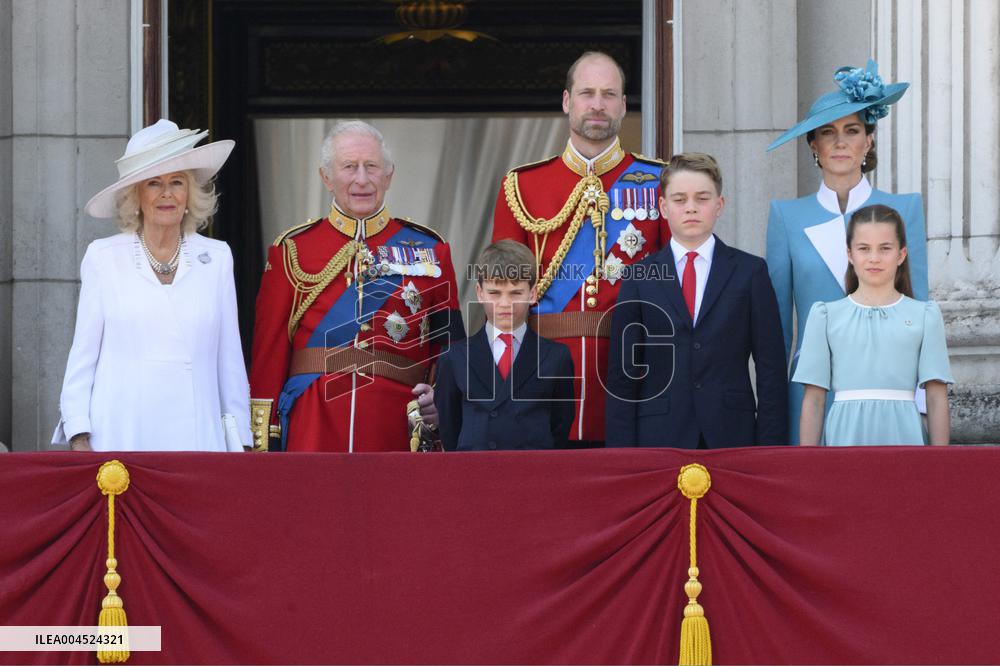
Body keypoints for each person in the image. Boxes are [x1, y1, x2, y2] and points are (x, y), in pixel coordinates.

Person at [250, 120, 464, 452]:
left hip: (395, 426)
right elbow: (270, 353)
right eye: (349, 167)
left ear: (389, 176)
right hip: (313, 424)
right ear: (326, 177)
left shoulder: (430, 251)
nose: (361, 179)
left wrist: (441, 404)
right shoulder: (291, 250)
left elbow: (448, 348)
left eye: (372, 167)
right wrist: (265, 438)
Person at [490, 51, 670, 448]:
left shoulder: (660, 183)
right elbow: (502, 298)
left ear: (624, 105)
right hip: (543, 375)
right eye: (587, 92)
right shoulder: (522, 186)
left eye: (609, 94)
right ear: (567, 101)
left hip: (633, 371)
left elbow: (675, 289)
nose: (597, 104)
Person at [53, 119, 249, 452]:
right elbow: (83, 357)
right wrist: (78, 433)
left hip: (198, 440)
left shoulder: (216, 258)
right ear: (136, 196)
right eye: (154, 183)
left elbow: (229, 360)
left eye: (177, 182)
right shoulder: (104, 257)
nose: (167, 194)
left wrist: (241, 441)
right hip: (121, 434)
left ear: (190, 193)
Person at [766, 59, 929, 445]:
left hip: (890, 394)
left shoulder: (904, 209)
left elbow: (920, 311)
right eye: (828, 132)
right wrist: (771, 408)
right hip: (810, 395)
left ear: (868, 141)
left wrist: (922, 402)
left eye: (852, 130)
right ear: (814, 144)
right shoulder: (785, 216)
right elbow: (777, 329)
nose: (840, 142)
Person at [605, 153, 788, 448]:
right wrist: (621, 455)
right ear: (663, 207)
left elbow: (771, 369)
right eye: (679, 200)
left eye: (702, 198)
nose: (691, 208)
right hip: (658, 438)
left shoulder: (750, 272)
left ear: (719, 205)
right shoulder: (639, 278)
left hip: (732, 435)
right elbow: (623, 374)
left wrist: (770, 449)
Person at [794, 204, 952, 446]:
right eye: (864, 249)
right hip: (844, 438)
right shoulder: (825, 316)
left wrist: (942, 463)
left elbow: (936, 397)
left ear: (901, 254)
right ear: (850, 255)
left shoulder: (924, 315)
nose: (874, 258)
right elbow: (814, 400)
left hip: (905, 437)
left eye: (885, 248)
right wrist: (807, 466)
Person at [434, 240, 575, 451]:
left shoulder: (556, 356)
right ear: (480, 293)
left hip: (533, 473)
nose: (505, 303)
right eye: (495, 293)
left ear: (533, 294)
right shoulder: (454, 356)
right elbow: (449, 424)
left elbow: (560, 423)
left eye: (516, 293)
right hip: (476, 472)